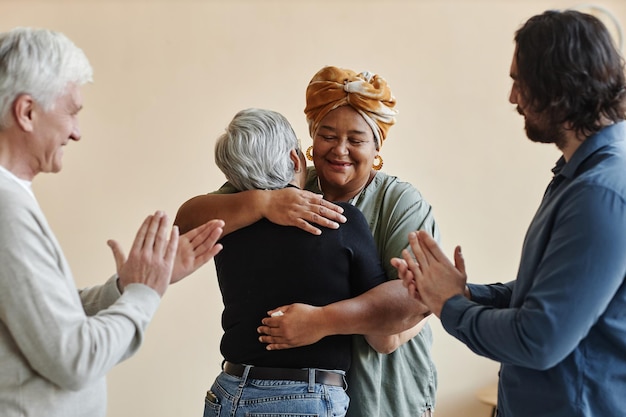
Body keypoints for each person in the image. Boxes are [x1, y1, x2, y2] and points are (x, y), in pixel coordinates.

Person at [392, 9, 626, 417]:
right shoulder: (578, 176)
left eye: (519, 81)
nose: (512, 97)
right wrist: (464, 293)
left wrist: (450, 306)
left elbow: (538, 340)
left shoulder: (600, 193)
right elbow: (549, 293)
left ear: (557, 84)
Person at [176, 66, 439, 417]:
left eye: (356, 140)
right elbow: (186, 226)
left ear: (377, 146)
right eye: (328, 135)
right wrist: (263, 203)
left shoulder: (400, 202)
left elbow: (407, 302)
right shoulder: (277, 184)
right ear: (307, 144)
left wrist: (321, 321)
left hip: (380, 396)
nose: (340, 150)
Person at [0, 27, 224, 417]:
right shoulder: (7, 210)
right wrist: (143, 295)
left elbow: (50, 317)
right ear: (27, 112)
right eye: (71, 111)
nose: (77, 131)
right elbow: (74, 358)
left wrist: (126, 287)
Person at [205, 107, 405, 416]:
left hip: (228, 391)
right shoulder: (340, 220)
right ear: (297, 159)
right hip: (306, 396)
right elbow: (381, 329)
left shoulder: (225, 227)